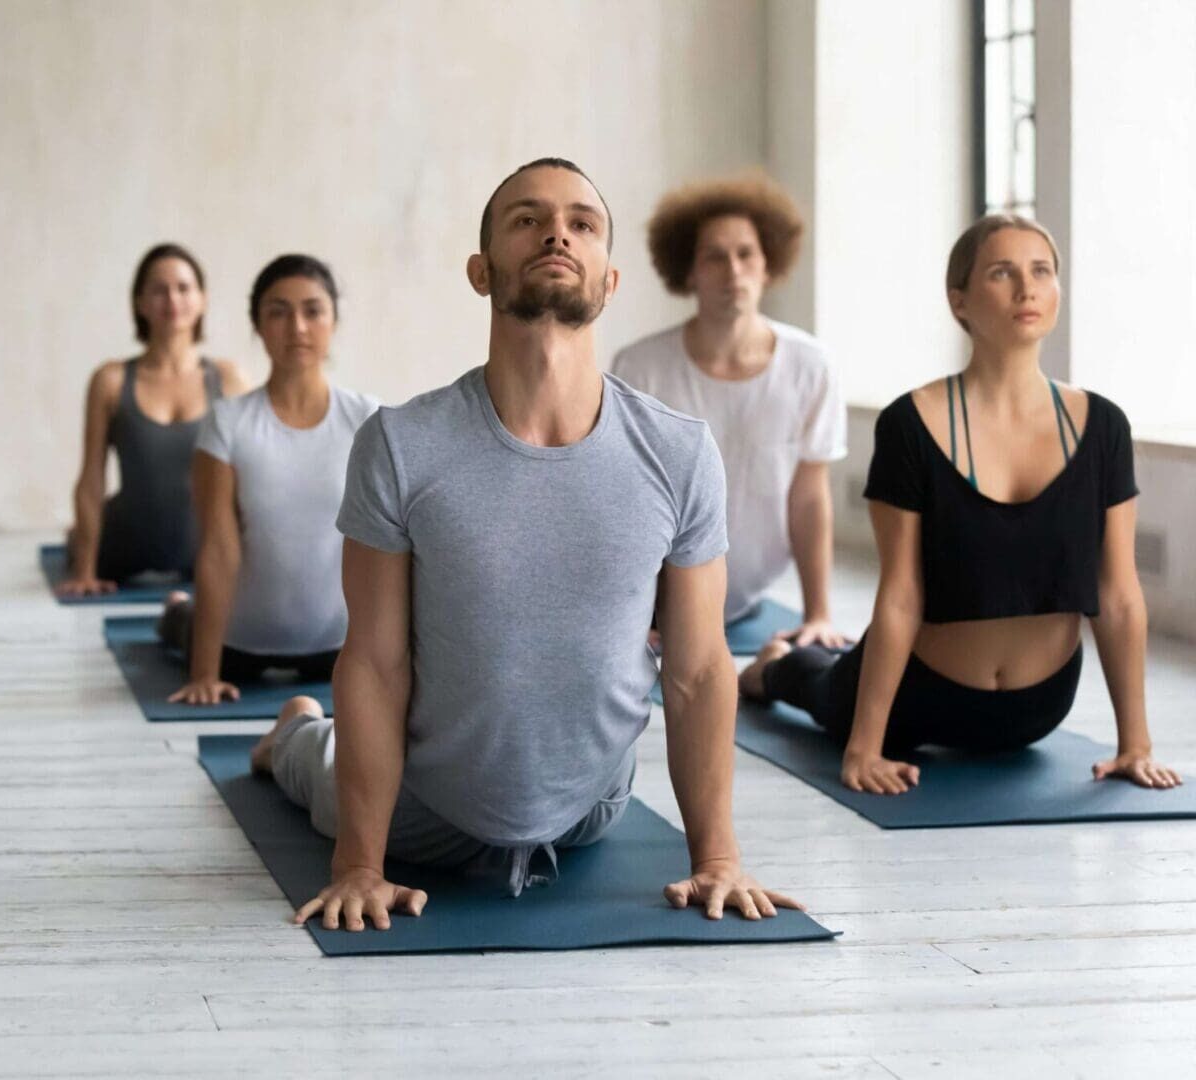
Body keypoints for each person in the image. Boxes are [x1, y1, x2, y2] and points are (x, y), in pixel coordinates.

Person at [252, 159, 799, 932]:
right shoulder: (402, 444)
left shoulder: (679, 452)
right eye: (527, 219)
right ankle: (293, 734)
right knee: (317, 763)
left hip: (588, 813)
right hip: (419, 809)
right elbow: (375, 662)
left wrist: (716, 860)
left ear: (610, 280)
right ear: (481, 272)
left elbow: (701, 666)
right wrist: (360, 868)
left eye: (583, 223)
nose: (557, 233)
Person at [739, 214, 1182, 794]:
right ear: (960, 302)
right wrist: (865, 747)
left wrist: (1135, 746)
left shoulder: (1103, 427)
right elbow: (900, 594)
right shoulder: (909, 423)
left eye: (1041, 271)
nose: (1026, 288)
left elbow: (1119, 596)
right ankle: (776, 661)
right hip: (915, 698)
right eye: (1002, 272)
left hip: (1035, 709)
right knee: (806, 683)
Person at [613, 173, 846, 647]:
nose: (733, 271)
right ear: (689, 271)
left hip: (752, 599)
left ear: (768, 265)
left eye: (746, 254)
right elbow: (626, 502)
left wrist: (819, 612)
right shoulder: (641, 367)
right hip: (661, 605)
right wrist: (637, 612)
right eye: (714, 257)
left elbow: (810, 500)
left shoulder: (810, 365)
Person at [158, 255, 378, 704]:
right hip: (239, 645)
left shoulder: (366, 418)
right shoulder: (228, 422)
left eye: (312, 310)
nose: (297, 327)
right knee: (181, 622)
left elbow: (387, 550)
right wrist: (204, 674)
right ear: (257, 325)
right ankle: (178, 611)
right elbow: (219, 547)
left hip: (336, 647)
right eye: (278, 312)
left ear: (333, 319)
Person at [61, 244, 251, 597]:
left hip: (203, 553)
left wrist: (255, 565)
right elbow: (91, 478)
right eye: (159, 290)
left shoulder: (229, 379)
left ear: (202, 299)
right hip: (119, 553)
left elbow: (251, 480)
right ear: (139, 302)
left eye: (183, 288)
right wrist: (85, 570)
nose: (172, 299)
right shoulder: (111, 380)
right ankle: (76, 539)